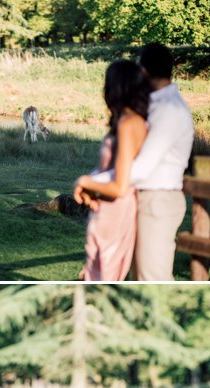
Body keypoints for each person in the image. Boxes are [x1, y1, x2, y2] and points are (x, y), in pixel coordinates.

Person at [74, 61, 150, 283]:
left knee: (104, 270)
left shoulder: (130, 124)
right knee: (96, 266)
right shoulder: (125, 121)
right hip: (103, 205)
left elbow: (119, 185)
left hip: (116, 209)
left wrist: (84, 181)